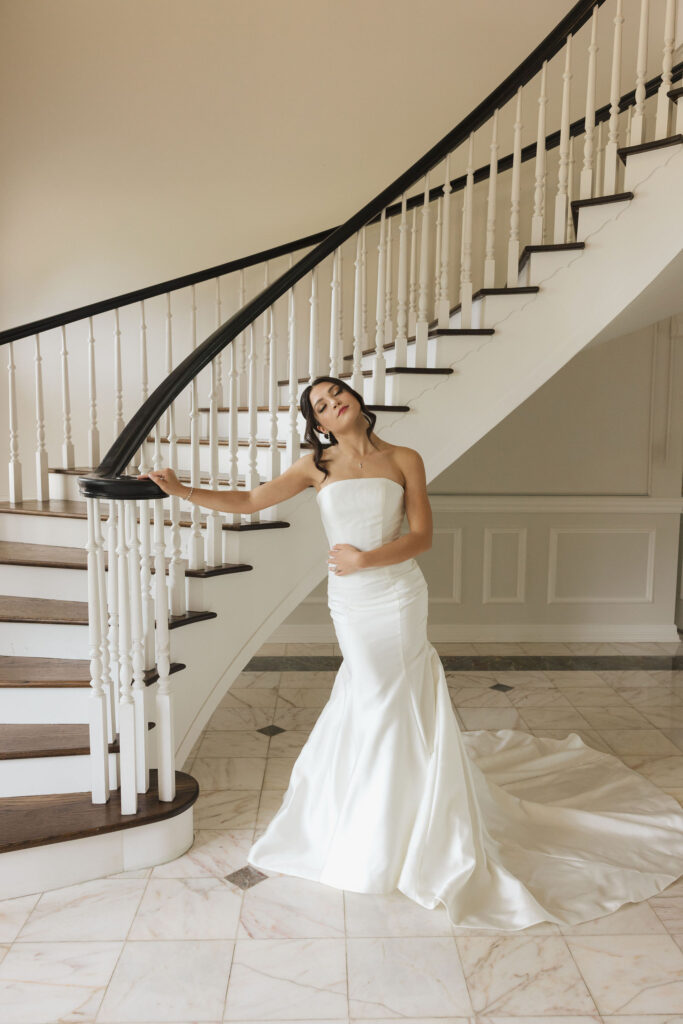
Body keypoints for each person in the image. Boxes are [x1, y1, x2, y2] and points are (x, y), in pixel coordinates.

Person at [140, 374, 683, 930]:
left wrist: (365, 560)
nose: (333, 405)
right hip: (350, 601)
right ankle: (374, 817)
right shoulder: (316, 466)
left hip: (396, 592)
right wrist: (181, 490)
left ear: (355, 400)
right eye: (321, 406)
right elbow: (252, 500)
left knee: (390, 695)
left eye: (336, 395)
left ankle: (401, 819)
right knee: (372, 693)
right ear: (319, 424)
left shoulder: (404, 457)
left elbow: (422, 535)